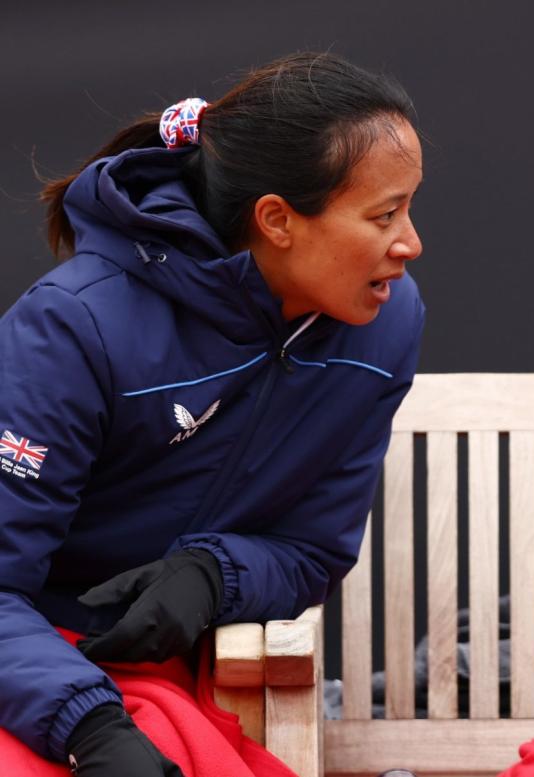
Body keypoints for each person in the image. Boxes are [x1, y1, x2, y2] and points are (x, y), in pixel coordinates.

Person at [0, 52, 425, 776]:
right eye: (384, 214)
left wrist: (211, 574)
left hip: (194, 671)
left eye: (410, 207)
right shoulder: (73, 327)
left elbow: (314, 550)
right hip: (33, 665)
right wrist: (89, 725)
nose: (410, 243)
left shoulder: (386, 326)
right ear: (277, 220)